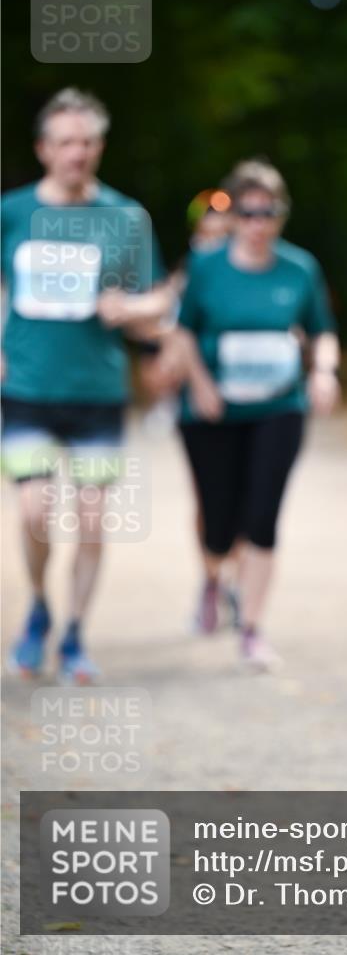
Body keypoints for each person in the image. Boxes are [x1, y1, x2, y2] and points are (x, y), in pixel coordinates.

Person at [1, 88, 170, 683]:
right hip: (27, 388)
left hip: (97, 391)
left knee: (93, 519)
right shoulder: (13, 212)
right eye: (65, 141)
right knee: (35, 510)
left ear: (100, 147)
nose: (77, 152)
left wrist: (132, 308)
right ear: (44, 149)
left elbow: (159, 301)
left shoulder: (125, 218)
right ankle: (39, 606)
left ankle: (74, 633)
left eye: (88, 141)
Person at [169, 159, 340, 668]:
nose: (258, 223)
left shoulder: (300, 268)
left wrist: (324, 371)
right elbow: (181, 332)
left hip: (279, 407)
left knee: (262, 516)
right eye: (247, 213)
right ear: (233, 216)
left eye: (268, 212)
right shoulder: (206, 266)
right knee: (219, 522)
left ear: (281, 214)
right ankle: (213, 577)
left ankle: (252, 627)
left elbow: (322, 329)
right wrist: (200, 385)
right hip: (213, 412)